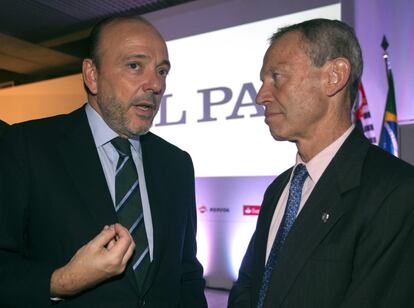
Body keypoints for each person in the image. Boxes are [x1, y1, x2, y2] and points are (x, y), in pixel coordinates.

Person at [0, 15, 207, 307]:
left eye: (162, 71)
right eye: (135, 66)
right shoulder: (26, 147)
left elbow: (186, 273)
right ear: (92, 75)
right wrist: (62, 281)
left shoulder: (177, 164)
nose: (155, 85)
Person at [228, 18, 414, 308]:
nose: (261, 96)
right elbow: (248, 288)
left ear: (334, 76)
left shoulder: (396, 191)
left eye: (277, 76)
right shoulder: (278, 189)